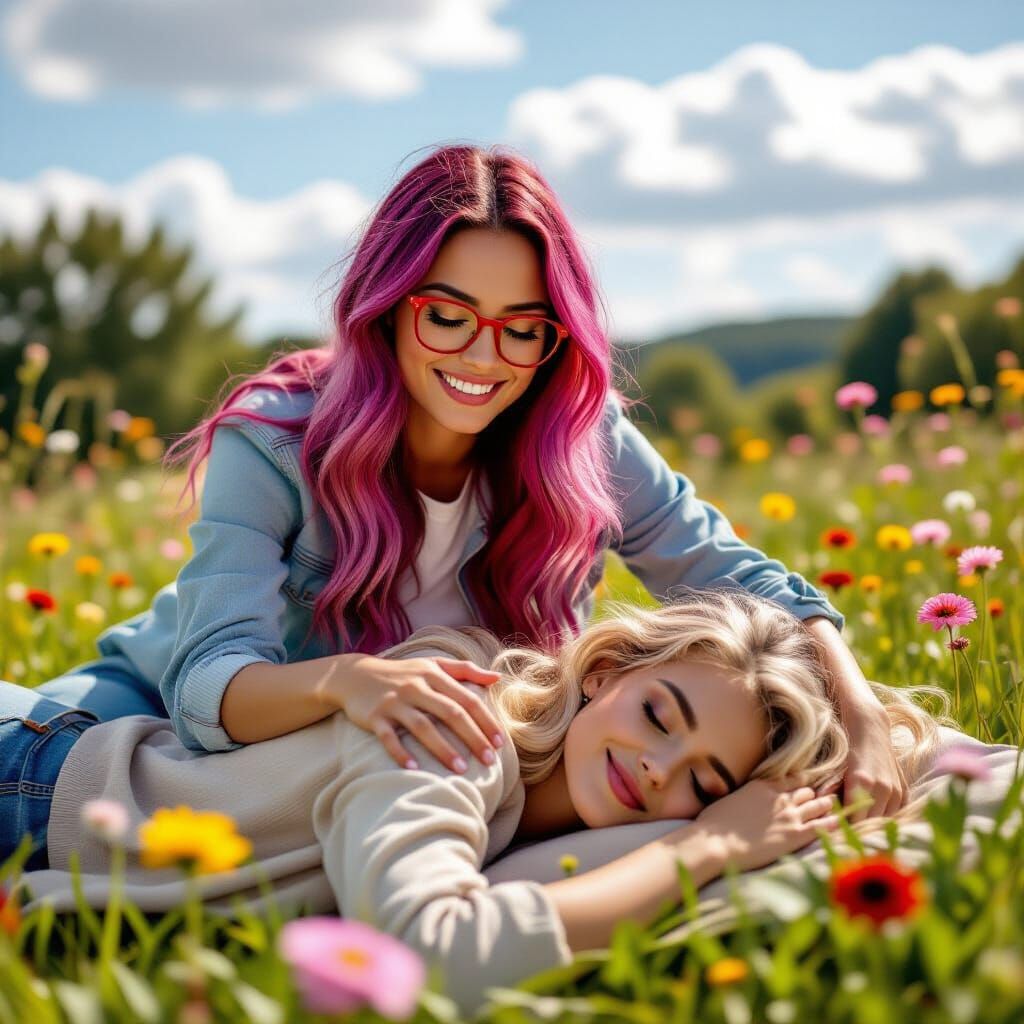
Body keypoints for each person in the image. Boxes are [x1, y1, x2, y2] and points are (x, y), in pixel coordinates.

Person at [31, 142, 904, 820]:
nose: (485, 357)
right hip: (133, 713)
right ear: (386, 306)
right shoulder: (276, 442)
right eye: (447, 317)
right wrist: (346, 680)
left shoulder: (581, 437)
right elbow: (205, 688)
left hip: (367, 772)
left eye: (523, 328)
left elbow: (743, 581)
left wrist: (863, 718)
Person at [7, 589, 949, 1014]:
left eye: (705, 783)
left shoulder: (547, 810)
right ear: (607, 670)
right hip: (33, 790)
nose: (660, 772)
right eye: (661, 714)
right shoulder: (456, 724)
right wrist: (705, 848)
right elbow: (429, 956)